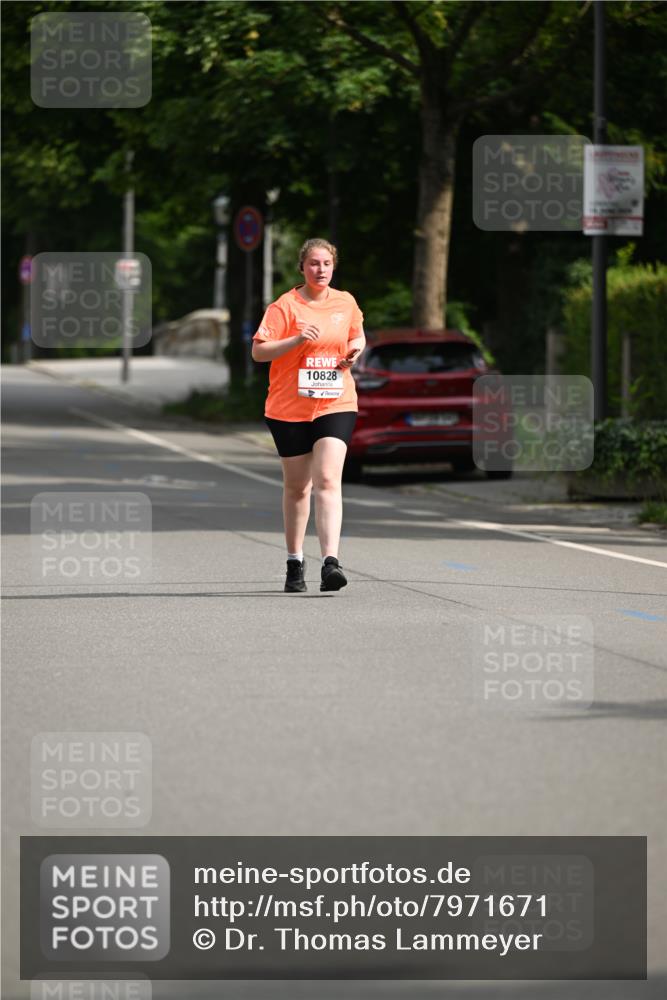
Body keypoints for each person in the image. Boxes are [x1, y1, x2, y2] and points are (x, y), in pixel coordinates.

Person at [251, 237, 365, 593]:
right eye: (314, 263)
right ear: (302, 267)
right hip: (289, 407)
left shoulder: (345, 302)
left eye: (327, 264)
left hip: (336, 401)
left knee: (328, 479)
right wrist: (297, 340)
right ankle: (294, 562)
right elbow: (259, 352)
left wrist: (353, 354)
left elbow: (357, 337)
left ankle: (331, 562)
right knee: (298, 487)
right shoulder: (284, 306)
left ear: (334, 267)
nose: (321, 270)